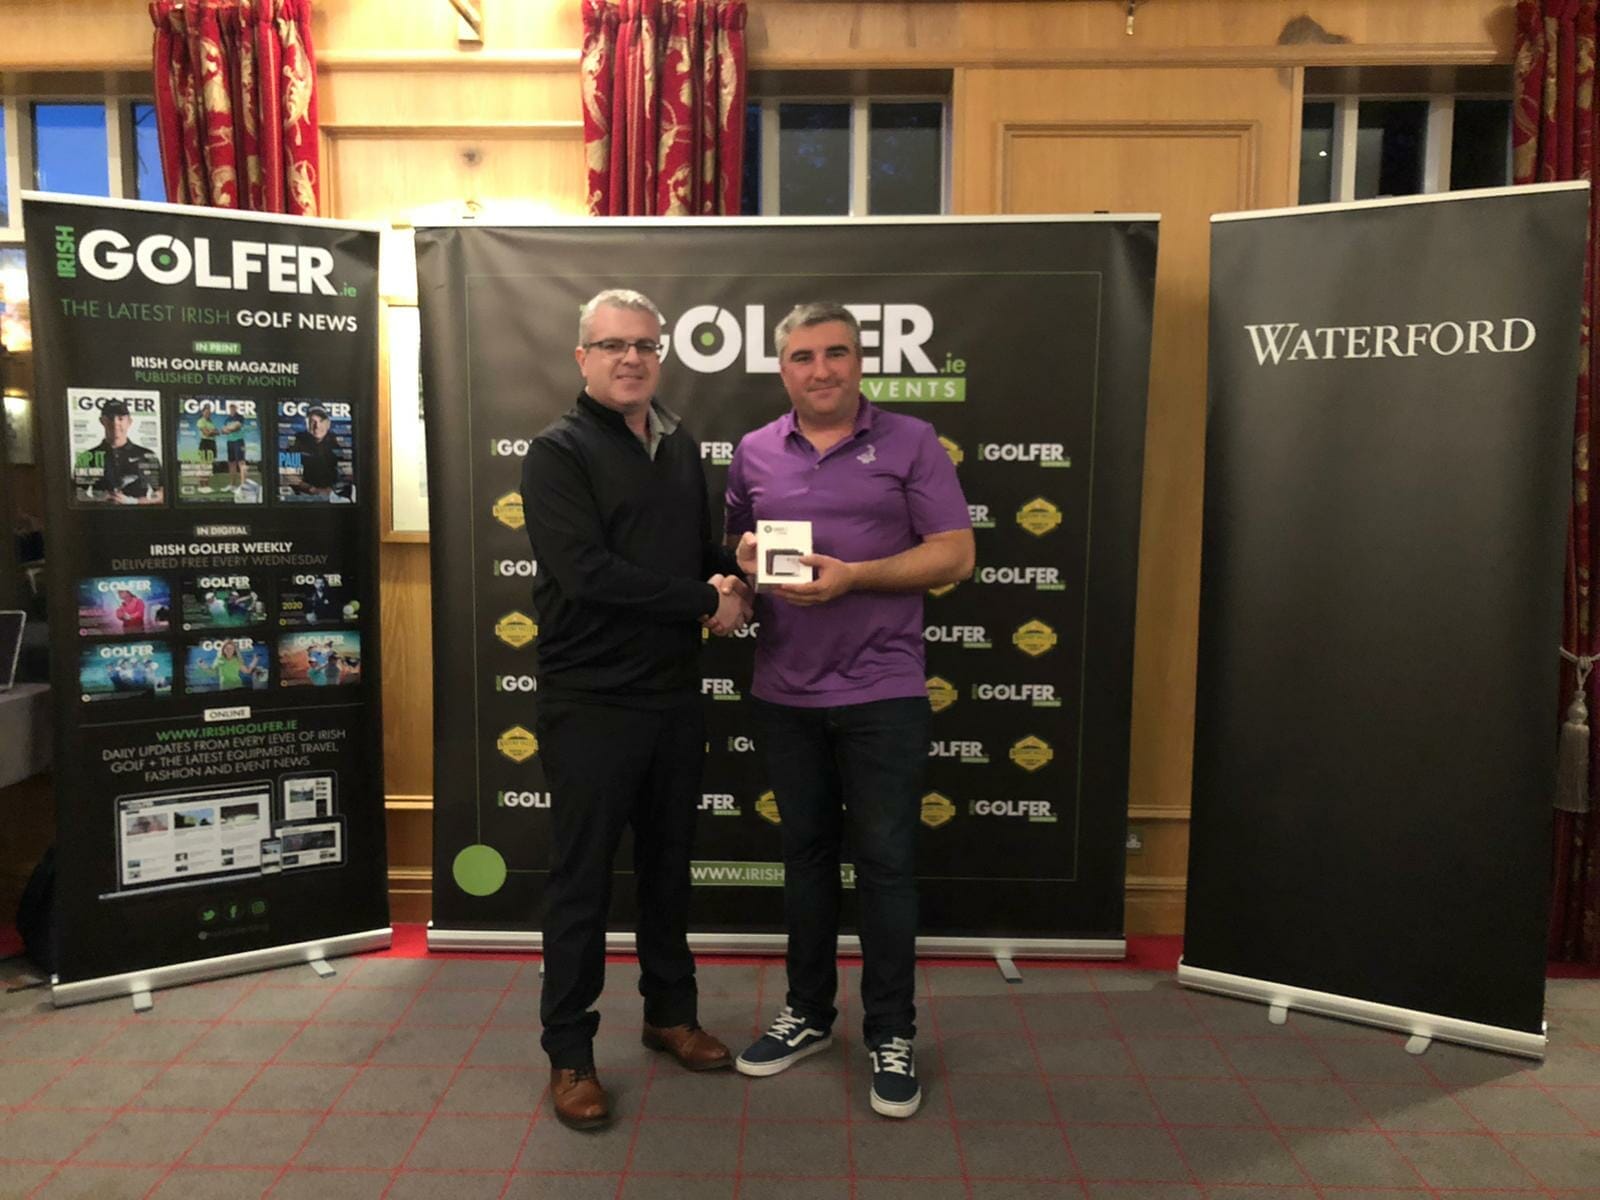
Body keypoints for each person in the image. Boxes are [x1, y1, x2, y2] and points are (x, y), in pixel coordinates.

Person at [725, 302, 974, 1119]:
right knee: (804, 861)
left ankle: (891, 1032)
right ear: (783, 369)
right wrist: (744, 560)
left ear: (860, 361)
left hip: (883, 692)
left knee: (886, 867)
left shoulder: (912, 441)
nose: (821, 369)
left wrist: (855, 577)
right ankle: (806, 1014)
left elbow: (957, 553)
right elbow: (738, 548)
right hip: (784, 691)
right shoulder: (754, 450)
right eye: (803, 357)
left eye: (835, 353)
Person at [519, 288, 752, 1131]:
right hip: (591, 701)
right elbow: (587, 573)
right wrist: (705, 599)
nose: (632, 358)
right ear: (583, 357)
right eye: (614, 345)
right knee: (582, 883)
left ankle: (669, 1015)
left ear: (660, 355)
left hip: (673, 695)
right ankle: (569, 1054)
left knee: (668, 867)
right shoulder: (557, 452)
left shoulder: (678, 443)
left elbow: (688, 552)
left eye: (646, 345)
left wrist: (738, 566)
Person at [77, 400, 163, 503]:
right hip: (101, 513)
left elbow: (162, 494)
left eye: (121, 418)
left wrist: (134, 501)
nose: (115, 423)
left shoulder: (147, 455)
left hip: (138, 513)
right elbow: (76, 494)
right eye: (110, 418)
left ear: (129, 422)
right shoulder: (87, 457)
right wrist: (100, 498)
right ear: (102, 421)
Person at [287, 407, 343, 496]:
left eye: (321, 421)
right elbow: (289, 475)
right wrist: (311, 489)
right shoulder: (296, 442)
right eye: (312, 421)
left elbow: (348, 473)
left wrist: (331, 490)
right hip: (303, 494)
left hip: (334, 494)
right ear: (306, 424)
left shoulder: (337, 443)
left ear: (328, 424)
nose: (317, 426)